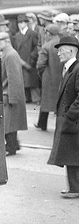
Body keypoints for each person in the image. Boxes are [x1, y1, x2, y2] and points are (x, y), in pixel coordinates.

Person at [47, 35, 79, 198]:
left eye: (61, 50)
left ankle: (75, 188)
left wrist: (69, 115)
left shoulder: (76, 68)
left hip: (73, 120)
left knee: (72, 154)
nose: (58, 53)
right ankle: (74, 187)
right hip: (71, 120)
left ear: (72, 50)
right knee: (71, 153)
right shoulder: (70, 68)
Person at [0, 32, 27, 156]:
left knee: (8, 123)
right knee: (9, 122)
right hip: (7, 92)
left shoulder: (10, 55)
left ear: (6, 41)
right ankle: (13, 145)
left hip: (9, 93)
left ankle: (11, 147)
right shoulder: (8, 53)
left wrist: (13, 98)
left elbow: (14, 78)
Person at [35, 24, 62, 131]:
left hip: (48, 77)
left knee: (45, 101)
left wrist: (41, 74)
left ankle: (42, 123)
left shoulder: (46, 46)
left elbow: (40, 65)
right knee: (60, 102)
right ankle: (58, 126)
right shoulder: (64, 44)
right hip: (62, 77)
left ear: (48, 34)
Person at [13, 14, 40, 104]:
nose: (21, 24)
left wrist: (32, 59)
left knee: (32, 81)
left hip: (30, 60)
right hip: (20, 60)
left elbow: (36, 47)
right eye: (19, 22)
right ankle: (26, 98)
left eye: (23, 22)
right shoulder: (17, 35)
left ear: (27, 23)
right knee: (23, 80)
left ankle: (36, 99)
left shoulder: (32, 33)